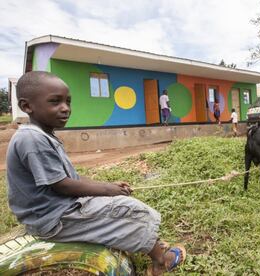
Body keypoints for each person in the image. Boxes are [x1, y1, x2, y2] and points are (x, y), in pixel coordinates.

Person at [6, 72, 185, 276]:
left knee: (118, 205)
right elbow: (62, 185)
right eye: (55, 102)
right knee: (130, 210)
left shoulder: (42, 135)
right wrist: (108, 190)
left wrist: (108, 186)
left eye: (68, 101)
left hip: (57, 209)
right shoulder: (32, 139)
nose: (65, 108)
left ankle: (147, 242)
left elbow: (70, 179)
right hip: (54, 218)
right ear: (27, 106)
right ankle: (160, 261)